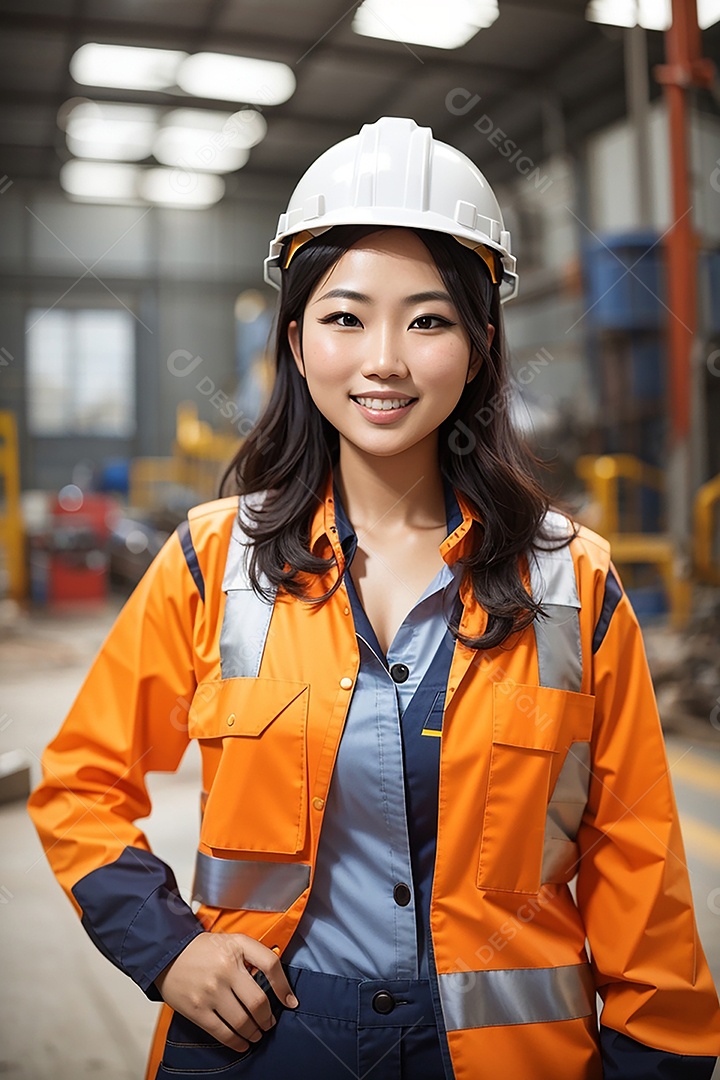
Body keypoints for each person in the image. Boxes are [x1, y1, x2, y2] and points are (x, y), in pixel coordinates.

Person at [28, 116, 720, 1080]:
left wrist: (661, 1063)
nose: (384, 358)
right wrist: (169, 948)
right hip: (269, 1046)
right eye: (346, 316)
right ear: (298, 340)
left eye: (427, 319)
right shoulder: (211, 561)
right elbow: (80, 788)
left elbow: (637, 859)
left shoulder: (573, 582)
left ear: (481, 346)